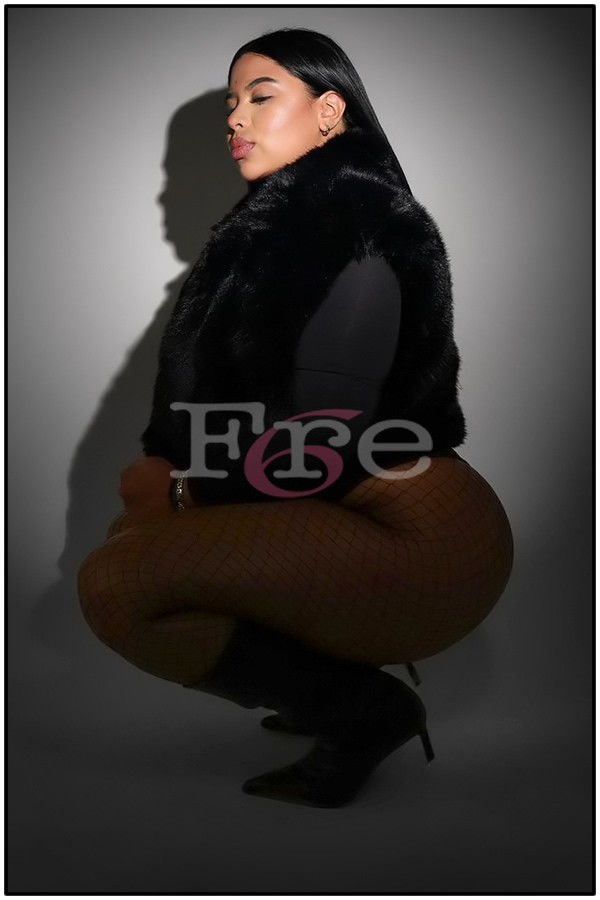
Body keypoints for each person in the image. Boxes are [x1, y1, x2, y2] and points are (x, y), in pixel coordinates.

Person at [77, 28, 514, 809]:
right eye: (231, 103)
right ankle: (328, 687)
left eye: (261, 95)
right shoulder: (276, 233)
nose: (235, 117)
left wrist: (180, 492)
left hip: (423, 537)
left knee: (118, 583)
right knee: (135, 545)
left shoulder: (353, 230)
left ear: (329, 111)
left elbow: (321, 439)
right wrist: (174, 485)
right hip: (352, 505)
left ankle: (363, 711)